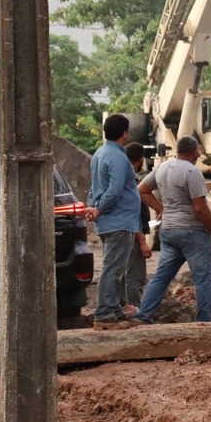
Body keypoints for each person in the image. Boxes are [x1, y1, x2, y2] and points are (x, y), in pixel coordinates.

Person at [134, 136, 211, 324]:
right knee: (204, 280)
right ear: (195, 152)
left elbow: (141, 190)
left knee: (162, 276)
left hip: (168, 230)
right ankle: (205, 322)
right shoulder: (193, 172)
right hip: (192, 232)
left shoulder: (162, 167)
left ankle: (143, 316)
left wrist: (161, 209)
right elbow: (200, 209)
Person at [86, 114, 142, 329]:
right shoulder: (118, 158)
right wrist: (99, 209)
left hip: (108, 220)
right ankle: (106, 313)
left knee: (114, 266)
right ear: (125, 133)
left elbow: (95, 187)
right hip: (119, 220)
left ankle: (115, 310)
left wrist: (93, 207)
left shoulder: (99, 154)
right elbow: (115, 190)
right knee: (114, 268)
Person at [123, 141, 153, 310]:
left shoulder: (123, 178)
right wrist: (141, 241)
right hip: (133, 235)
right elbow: (131, 214)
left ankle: (125, 307)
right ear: (141, 160)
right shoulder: (130, 183)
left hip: (125, 233)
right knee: (135, 277)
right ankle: (134, 310)